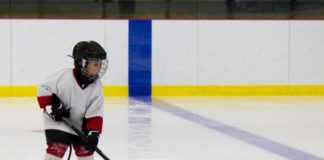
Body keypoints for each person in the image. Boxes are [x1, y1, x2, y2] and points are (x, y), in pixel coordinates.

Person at [37, 41, 108, 160]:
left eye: (100, 64)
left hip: (80, 126)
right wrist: (52, 106)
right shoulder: (63, 77)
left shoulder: (97, 87)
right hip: (59, 123)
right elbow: (44, 88)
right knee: (57, 148)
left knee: (86, 153)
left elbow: (95, 113)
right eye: (95, 64)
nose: (99, 67)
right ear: (82, 64)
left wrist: (93, 133)